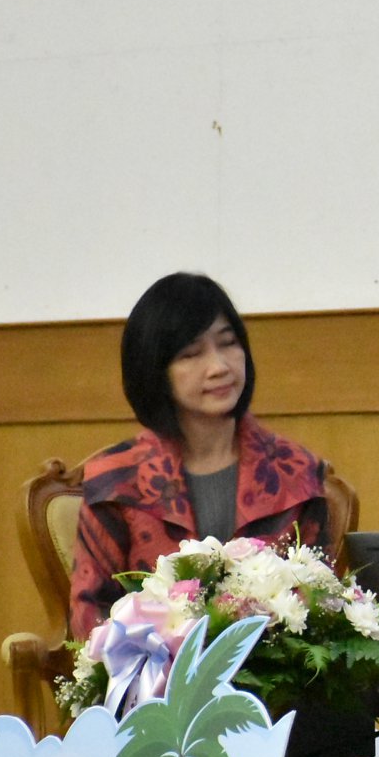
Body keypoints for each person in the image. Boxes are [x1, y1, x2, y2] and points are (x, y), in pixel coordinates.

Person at [68, 272, 331, 639]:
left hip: (274, 669)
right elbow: (89, 620)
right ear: (154, 370)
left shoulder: (296, 474)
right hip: (150, 670)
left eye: (228, 343)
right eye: (191, 354)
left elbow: (321, 604)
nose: (219, 366)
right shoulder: (116, 483)